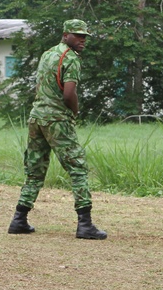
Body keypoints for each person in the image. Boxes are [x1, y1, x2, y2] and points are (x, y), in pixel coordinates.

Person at [7, 19, 105, 240]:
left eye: (85, 36)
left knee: (34, 170)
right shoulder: (70, 59)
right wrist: (75, 111)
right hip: (57, 120)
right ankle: (85, 224)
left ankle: (19, 220)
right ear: (65, 35)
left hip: (37, 118)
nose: (82, 40)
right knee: (78, 168)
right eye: (78, 35)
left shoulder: (47, 54)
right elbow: (69, 94)